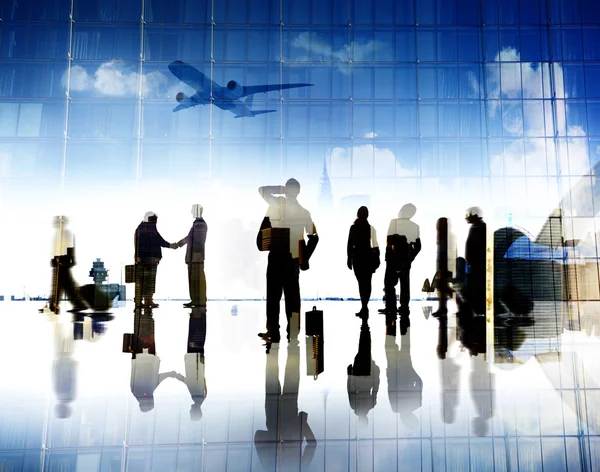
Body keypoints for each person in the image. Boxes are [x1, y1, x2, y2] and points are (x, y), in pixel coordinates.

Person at [257, 178, 318, 344]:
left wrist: (281, 190)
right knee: (292, 298)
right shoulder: (304, 212)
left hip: (276, 258)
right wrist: (304, 257)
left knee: (273, 298)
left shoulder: (278, 204)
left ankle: (273, 332)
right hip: (292, 260)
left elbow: (262, 189)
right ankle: (293, 333)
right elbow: (314, 237)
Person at [380, 204, 421, 321]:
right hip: (405, 259)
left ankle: (390, 307)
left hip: (393, 258)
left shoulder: (394, 223)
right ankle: (404, 307)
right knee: (404, 284)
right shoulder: (414, 226)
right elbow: (418, 246)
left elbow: (389, 241)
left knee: (389, 284)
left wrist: (388, 257)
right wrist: (410, 258)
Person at [44, 216, 86, 314]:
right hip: (59, 262)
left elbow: (70, 248)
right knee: (65, 285)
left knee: (59, 284)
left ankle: (54, 305)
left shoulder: (67, 234)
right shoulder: (57, 235)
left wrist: (68, 260)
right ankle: (55, 305)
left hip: (62, 262)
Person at [134, 212, 175, 309]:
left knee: (141, 281)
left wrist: (137, 257)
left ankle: (139, 301)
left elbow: (136, 244)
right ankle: (147, 300)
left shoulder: (140, 229)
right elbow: (159, 241)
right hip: (150, 260)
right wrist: (171, 245)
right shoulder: (149, 229)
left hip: (143, 260)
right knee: (149, 281)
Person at [347, 206, 379, 317]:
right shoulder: (370, 228)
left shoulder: (354, 228)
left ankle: (364, 307)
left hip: (358, 258)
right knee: (367, 283)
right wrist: (377, 257)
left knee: (361, 283)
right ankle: (365, 306)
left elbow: (350, 244)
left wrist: (349, 258)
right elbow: (375, 245)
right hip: (368, 258)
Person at [176, 204, 208, 308]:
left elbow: (199, 240)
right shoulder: (197, 223)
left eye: (193, 210)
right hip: (194, 257)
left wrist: (196, 254)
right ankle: (196, 299)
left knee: (196, 279)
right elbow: (190, 237)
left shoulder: (200, 224)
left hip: (195, 257)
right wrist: (179, 244)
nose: (191, 211)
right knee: (195, 279)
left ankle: (198, 300)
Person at [465, 207, 487, 314]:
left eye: (468, 214)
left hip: (478, 264)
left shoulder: (479, 228)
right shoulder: (479, 227)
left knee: (477, 287)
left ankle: (479, 309)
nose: (466, 217)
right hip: (476, 264)